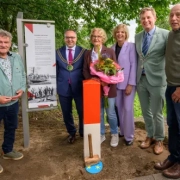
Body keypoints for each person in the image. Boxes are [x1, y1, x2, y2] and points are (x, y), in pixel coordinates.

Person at [135, 7, 169, 155]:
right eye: (143, 18)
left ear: (154, 18)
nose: (146, 20)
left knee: (157, 113)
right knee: (145, 111)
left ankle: (159, 139)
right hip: (141, 80)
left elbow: (173, 57)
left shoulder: (166, 35)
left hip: (157, 80)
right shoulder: (137, 37)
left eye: (148, 17)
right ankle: (150, 135)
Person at [154, 4, 180, 179]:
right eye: (171, 15)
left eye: (178, 15)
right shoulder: (171, 35)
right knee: (173, 124)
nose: (173, 18)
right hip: (170, 86)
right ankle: (174, 157)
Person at [83, 28, 119, 147]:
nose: (96, 38)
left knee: (110, 112)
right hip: (94, 88)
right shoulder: (88, 53)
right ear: (91, 38)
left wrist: (106, 81)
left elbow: (115, 69)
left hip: (108, 87)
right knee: (98, 113)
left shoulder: (109, 51)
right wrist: (94, 80)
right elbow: (85, 70)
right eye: (94, 36)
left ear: (103, 38)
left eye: (99, 36)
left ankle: (114, 133)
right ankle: (101, 133)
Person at [0, 29, 26, 173]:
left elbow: (22, 75)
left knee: (11, 127)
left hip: (13, 102)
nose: (3, 45)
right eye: (0, 42)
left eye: (6, 42)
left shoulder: (16, 57)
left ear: (10, 44)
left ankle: (7, 150)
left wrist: (22, 88)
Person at [56, 30, 86, 143]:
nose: (70, 40)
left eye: (72, 37)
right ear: (64, 39)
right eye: (67, 37)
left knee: (82, 111)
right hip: (63, 86)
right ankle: (72, 132)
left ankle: (83, 131)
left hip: (79, 86)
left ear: (76, 38)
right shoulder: (58, 52)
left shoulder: (83, 52)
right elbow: (55, 70)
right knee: (66, 112)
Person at [111, 24, 137, 146]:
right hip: (115, 84)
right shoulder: (111, 48)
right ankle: (122, 130)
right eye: (117, 32)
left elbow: (133, 65)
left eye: (122, 32)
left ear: (126, 34)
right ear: (115, 34)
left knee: (127, 109)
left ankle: (129, 136)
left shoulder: (131, 47)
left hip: (128, 84)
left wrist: (131, 84)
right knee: (119, 108)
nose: (120, 34)